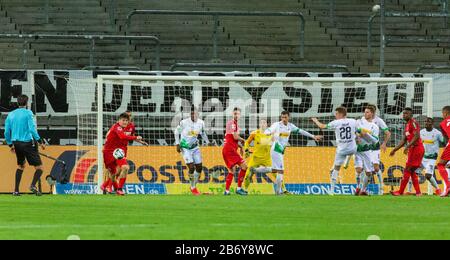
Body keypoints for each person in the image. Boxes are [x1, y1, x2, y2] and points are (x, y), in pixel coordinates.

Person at [267, 111, 322, 195]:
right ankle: (278, 192)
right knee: (281, 171)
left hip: (281, 150)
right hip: (276, 149)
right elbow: (269, 130)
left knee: (275, 170)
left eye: (285, 117)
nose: (283, 119)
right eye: (282, 117)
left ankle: (258, 170)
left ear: (289, 117)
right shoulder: (277, 124)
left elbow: (301, 131)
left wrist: (313, 136)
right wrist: (267, 133)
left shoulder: (290, 126)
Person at [4, 94, 46, 196]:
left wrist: (10, 145)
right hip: (27, 143)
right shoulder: (28, 113)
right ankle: (32, 185)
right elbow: (32, 129)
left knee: (21, 166)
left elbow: (6, 132)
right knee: (40, 168)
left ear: (17, 103)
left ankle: (16, 191)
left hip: (16, 144)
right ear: (26, 103)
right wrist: (40, 141)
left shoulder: (11, 114)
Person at [312, 107, 357, 196]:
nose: (335, 115)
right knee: (357, 147)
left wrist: (315, 120)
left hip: (342, 150)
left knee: (335, 169)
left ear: (340, 114)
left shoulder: (336, 123)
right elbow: (358, 131)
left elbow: (322, 126)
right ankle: (349, 158)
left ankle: (332, 191)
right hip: (353, 148)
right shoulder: (353, 121)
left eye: (336, 114)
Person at [101, 113, 147, 196]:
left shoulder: (131, 127)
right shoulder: (116, 127)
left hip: (119, 151)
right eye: (123, 120)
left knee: (124, 168)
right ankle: (106, 186)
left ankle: (119, 189)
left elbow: (130, 135)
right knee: (114, 172)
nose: (125, 122)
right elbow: (122, 136)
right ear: (119, 120)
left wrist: (140, 141)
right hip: (109, 152)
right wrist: (136, 137)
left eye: (126, 120)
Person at [390, 108, 425, 196]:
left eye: (406, 113)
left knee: (407, 169)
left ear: (411, 115)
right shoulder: (407, 125)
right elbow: (403, 140)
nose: (404, 115)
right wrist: (395, 149)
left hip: (416, 148)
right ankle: (418, 192)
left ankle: (400, 191)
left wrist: (408, 146)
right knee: (411, 171)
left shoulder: (413, 122)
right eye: (404, 113)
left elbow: (417, 136)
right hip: (413, 149)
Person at [174, 109, 210, 196]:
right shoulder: (184, 122)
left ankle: (193, 186)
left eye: (196, 114)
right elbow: (176, 132)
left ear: (198, 115)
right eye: (192, 114)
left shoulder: (201, 123)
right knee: (191, 167)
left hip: (195, 147)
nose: (194, 115)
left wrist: (207, 142)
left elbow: (203, 133)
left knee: (199, 167)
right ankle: (193, 187)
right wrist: (177, 144)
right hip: (185, 148)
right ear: (190, 114)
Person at [222, 107, 248, 196]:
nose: (236, 115)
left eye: (238, 114)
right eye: (235, 113)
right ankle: (239, 189)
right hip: (230, 150)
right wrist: (244, 140)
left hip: (227, 149)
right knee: (244, 166)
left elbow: (232, 140)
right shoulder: (232, 123)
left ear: (240, 115)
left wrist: (240, 147)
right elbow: (235, 137)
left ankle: (227, 191)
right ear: (232, 114)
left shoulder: (234, 124)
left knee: (232, 170)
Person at [355, 107, 380, 196]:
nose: (365, 114)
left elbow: (375, 140)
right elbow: (354, 131)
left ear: (372, 114)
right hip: (357, 150)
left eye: (367, 112)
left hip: (367, 150)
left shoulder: (375, 127)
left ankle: (363, 190)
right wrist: (357, 135)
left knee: (369, 173)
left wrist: (366, 135)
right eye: (365, 112)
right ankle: (357, 187)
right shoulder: (359, 122)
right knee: (358, 170)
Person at [243, 119, 273, 191]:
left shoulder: (271, 133)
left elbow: (276, 143)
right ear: (259, 124)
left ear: (267, 124)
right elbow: (247, 142)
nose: (262, 124)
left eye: (264, 122)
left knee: (276, 173)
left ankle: (284, 190)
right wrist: (246, 150)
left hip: (267, 158)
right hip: (255, 158)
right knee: (247, 175)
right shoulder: (254, 133)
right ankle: (245, 190)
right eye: (261, 123)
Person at [437, 106, 450, 197]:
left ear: (445, 113)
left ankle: (448, 186)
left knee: (441, 164)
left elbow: (446, 137)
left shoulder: (443, 123)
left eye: (443, 113)